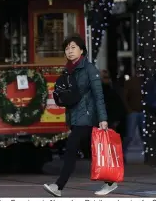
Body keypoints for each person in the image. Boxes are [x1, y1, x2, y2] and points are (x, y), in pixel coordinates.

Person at [43, 34, 116, 197]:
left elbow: (99, 95)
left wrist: (103, 118)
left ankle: (58, 186)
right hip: (75, 117)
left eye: (73, 47)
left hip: (88, 117)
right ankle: (110, 182)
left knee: (71, 149)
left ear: (82, 50)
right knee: (91, 151)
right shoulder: (69, 70)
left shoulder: (89, 69)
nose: (69, 51)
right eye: (67, 48)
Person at [122, 74, 144, 162]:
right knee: (130, 135)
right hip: (134, 110)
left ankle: (122, 153)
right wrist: (129, 109)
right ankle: (122, 153)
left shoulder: (144, 82)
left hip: (140, 111)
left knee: (143, 135)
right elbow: (124, 96)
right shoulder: (131, 82)